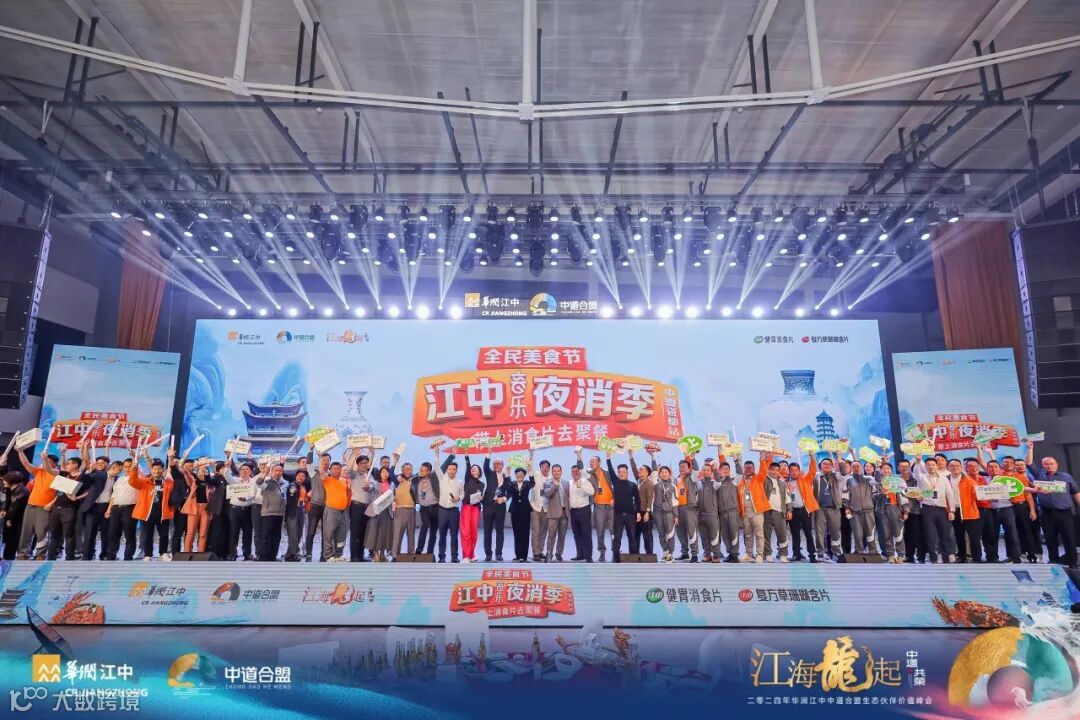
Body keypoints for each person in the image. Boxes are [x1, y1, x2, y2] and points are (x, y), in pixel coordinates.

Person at [1029, 454, 1078, 569]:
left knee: (1069, 538)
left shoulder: (1066, 477)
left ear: (1056, 465)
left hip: (1064, 512)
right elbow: (1029, 463)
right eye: (1046, 464)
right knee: (1050, 538)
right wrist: (1030, 449)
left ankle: (1073, 562)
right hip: (1047, 513)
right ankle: (1053, 561)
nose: (1049, 466)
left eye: (1051, 464)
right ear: (1042, 465)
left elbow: (1076, 492)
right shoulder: (1039, 475)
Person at [15, 443, 61, 560]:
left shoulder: (56, 473)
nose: (44, 463)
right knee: (26, 531)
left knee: (42, 533)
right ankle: (22, 553)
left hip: (44, 507)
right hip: (30, 506)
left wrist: (45, 459)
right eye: (45, 461)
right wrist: (20, 452)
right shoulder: (39, 471)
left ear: (54, 464)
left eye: (49, 462)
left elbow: (50, 470)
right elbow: (26, 464)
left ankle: (40, 554)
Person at [912, 456, 957, 563]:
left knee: (944, 533)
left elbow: (950, 494)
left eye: (933, 465)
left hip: (942, 509)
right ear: (925, 467)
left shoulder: (944, 478)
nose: (930, 467)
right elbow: (916, 472)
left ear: (937, 466)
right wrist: (918, 462)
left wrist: (952, 510)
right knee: (930, 534)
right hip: (927, 509)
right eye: (928, 465)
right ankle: (934, 556)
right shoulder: (922, 477)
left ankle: (946, 555)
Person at [133, 448, 174, 561]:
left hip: (163, 513)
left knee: (164, 535)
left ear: (163, 470)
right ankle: (148, 554)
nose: (157, 471)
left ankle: (163, 553)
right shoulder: (144, 482)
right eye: (154, 469)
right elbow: (133, 481)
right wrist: (134, 468)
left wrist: (170, 458)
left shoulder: (168, 483)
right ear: (151, 470)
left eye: (159, 469)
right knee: (147, 535)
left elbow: (171, 471)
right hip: (147, 513)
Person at [46, 451, 87, 561]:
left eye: (69, 463)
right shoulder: (64, 475)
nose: (66, 465)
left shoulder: (82, 477)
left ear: (75, 465)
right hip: (56, 508)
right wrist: (51, 503)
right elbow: (50, 470)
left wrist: (77, 498)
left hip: (69, 509)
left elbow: (89, 491)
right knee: (54, 534)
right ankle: (51, 557)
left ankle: (69, 557)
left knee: (68, 535)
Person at [604, 453, 640, 563]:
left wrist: (638, 513)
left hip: (630, 515)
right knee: (617, 538)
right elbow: (610, 471)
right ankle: (616, 558)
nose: (621, 473)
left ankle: (633, 558)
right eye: (619, 472)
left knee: (632, 537)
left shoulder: (632, 485)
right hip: (618, 515)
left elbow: (637, 499)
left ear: (627, 473)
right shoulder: (615, 482)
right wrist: (608, 458)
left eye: (623, 472)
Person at [81, 456, 118, 561]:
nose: (100, 464)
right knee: (89, 533)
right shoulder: (97, 474)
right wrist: (88, 470)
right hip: (93, 507)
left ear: (108, 464)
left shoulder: (116, 478)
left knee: (106, 534)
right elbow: (85, 480)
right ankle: (87, 555)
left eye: (103, 462)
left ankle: (104, 555)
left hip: (107, 508)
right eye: (98, 463)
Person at [105, 454, 140, 560]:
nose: (127, 469)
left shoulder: (137, 478)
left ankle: (128, 556)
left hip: (129, 509)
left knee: (129, 534)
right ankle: (111, 556)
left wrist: (135, 457)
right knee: (113, 533)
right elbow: (114, 495)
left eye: (130, 466)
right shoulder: (119, 479)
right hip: (116, 509)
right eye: (125, 467)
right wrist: (109, 509)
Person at [432, 444, 463, 563]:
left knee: (454, 535)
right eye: (450, 469)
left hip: (454, 511)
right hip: (442, 511)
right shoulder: (442, 478)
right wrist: (436, 452)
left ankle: (454, 556)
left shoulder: (460, 482)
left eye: (454, 469)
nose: (451, 471)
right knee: (442, 535)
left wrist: (459, 498)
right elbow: (436, 464)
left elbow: (463, 494)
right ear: (447, 470)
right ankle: (441, 556)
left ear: (456, 471)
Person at [738, 455, 769, 563]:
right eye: (746, 468)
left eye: (750, 468)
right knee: (747, 534)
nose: (748, 470)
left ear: (754, 468)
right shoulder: (740, 480)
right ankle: (749, 554)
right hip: (745, 512)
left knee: (759, 534)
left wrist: (762, 459)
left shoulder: (758, 478)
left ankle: (760, 554)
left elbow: (763, 471)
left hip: (757, 511)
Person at [224, 454, 255, 560]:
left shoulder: (253, 482)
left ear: (251, 471)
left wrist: (246, 498)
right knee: (234, 532)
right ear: (239, 471)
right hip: (235, 510)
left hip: (248, 509)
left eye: (247, 469)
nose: (244, 471)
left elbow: (254, 494)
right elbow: (227, 476)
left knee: (248, 532)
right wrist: (227, 467)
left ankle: (247, 553)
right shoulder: (235, 480)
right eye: (242, 469)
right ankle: (232, 553)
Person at [812, 457, 845, 561]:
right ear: (820, 466)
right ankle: (820, 553)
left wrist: (839, 458)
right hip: (819, 509)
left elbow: (843, 472)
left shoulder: (836, 476)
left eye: (829, 464)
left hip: (834, 508)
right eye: (824, 464)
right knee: (819, 532)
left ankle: (836, 552)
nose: (826, 466)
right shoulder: (816, 476)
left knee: (835, 531)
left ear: (832, 466)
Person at [845, 460, 878, 556]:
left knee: (870, 533)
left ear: (861, 467)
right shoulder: (848, 480)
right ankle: (859, 551)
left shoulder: (869, 478)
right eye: (854, 466)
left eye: (858, 466)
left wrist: (877, 469)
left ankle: (873, 551)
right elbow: (845, 495)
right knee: (857, 533)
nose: (856, 468)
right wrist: (847, 508)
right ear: (851, 468)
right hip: (854, 512)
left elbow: (877, 481)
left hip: (869, 511)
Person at [953, 458, 983, 563]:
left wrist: (989, 496)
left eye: (957, 466)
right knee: (959, 536)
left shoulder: (969, 480)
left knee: (974, 537)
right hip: (954, 511)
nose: (955, 468)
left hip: (970, 511)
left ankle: (977, 558)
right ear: (948, 467)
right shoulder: (946, 479)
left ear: (961, 467)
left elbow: (979, 494)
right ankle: (962, 557)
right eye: (952, 466)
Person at [365, 464, 397, 562]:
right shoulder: (375, 483)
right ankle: (375, 553)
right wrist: (366, 486)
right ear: (379, 473)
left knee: (385, 533)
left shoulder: (392, 484)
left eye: (387, 472)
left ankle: (382, 553)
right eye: (383, 472)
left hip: (387, 511)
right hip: (376, 511)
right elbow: (368, 488)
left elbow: (394, 496)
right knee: (374, 532)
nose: (385, 474)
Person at [628, 448, 656, 556]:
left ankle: (649, 555)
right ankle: (634, 555)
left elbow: (650, 498)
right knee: (635, 534)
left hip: (645, 512)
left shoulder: (649, 483)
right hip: (636, 512)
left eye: (642, 470)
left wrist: (648, 512)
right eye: (639, 470)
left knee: (647, 535)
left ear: (647, 473)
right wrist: (631, 456)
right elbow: (634, 468)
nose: (639, 471)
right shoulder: (639, 480)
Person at [255, 463, 286, 561]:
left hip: (280, 513)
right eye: (276, 470)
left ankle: (273, 555)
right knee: (266, 535)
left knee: (276, 536)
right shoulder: (267, 483)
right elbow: (259, 483)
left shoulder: (283, 483)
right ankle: (263, 556)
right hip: (268, 513)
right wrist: (265, 473)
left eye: (280, 471)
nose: (278, 472)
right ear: (272, 472)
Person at [480, 452, 508, 562]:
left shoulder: (506, 476)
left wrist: (504, 498)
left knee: (500, 531)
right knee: (487, 531)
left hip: (500, 507)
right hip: (488, 506)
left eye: (498, 463)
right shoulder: (489, 473)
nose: (496, 465)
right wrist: (488, 453)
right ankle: (488, 554)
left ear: (502, 465)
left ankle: (499, 553)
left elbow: (510, 491)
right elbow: (485, 466)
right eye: (494, 464)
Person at [347, 450, 374, 562]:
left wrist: (369, 487)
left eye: (366, 463)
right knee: (355, 532)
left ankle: (361, 555)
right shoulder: (354, 474)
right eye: (362, 463)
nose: (364, 465)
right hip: (356, 506)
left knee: (363, 532)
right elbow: (349, 470)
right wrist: (354, 454)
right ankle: (354, 556)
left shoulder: (369, 474)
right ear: (357, 464)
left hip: (366, 507)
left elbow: (373, 486)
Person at [587, 454, 614, 561]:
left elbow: (615, 485)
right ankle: (602, 552)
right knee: (600, 531)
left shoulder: (607, 473)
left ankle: (615, 551)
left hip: (611, 506)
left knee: (613, 531)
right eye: (590, 462)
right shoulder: (589, 474)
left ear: (599, 462)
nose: (591, 463)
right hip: (598, 506)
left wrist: (614, 498)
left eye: (593, 461)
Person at [321, 461, 350, 562]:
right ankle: (328, 556)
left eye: (339, 469)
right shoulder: (327, 479)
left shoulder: (344, 480)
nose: (337, 471)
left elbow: (350, 468)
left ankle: (339, 554)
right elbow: (321, 471)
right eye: (334, 469)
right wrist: (320, 458)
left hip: (343, 512)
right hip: (331, 511)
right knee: (329, 534)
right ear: (330, 470)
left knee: (342, 534)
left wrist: (354, 454)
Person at [898, 459, 926, 563]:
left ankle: (921, 556)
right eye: (902, 466)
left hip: (914, 511)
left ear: (910, 467)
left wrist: (922, 496)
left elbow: (927, 492)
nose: (904, 468)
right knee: (905, 534)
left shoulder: (917, 480)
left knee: (917, 534)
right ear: (898, 468)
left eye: (906, 466)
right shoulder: (895, 481)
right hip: (899, 511)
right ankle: (909, 556)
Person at [674, 455, 700, 562]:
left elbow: (696, 468)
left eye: (684, 466)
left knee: (692, 531)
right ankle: (684, 553)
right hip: (678, 509)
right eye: (680, 467)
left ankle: (694, 554)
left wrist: (692, 458)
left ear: (689, 468)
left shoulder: (692, 478)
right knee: (680, 533)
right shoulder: (676, 479)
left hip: (689, 509)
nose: (682, 468)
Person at [182, 462, 212, 553]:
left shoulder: (211, 484)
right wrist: (192, 467)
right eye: (199, 471)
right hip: (194, 508)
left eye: (204, 471)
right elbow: (187, 475)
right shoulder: (194, 482)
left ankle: (200, 552)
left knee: (203, 534)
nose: (201, 473)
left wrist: (210, 465)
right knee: (190, 533)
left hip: (206, 509)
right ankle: (187, 552)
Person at [567, 461, 594, 562]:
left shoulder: (585, 481)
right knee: (577, 534)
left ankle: (588, 556)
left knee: (586, 534)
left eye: (577, 471)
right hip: (573, 511)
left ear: (580, 472)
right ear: (571, 473)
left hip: (584, 510)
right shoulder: (569, 483)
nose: (575, 473)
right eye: (573, 471)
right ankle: (580, 554)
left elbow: (592, 492)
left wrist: (580, 484)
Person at [542, 464, 569, 562]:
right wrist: (555, 485)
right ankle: (549, 553)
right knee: (551, 535)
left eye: (558, 471)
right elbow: (547, 494)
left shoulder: (566, 483)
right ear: (552, 472)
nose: (556, 473)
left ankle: (559, 553)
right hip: (553, 514)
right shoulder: (548, 482)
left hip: (564, 513)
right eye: (554, 471)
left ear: (561, 472)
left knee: (562, 536)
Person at [715, 460, 741, 562]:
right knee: (725, 535)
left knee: (734, 533)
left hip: (732, 511)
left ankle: (735, 554)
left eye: (727, 469)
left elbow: (740, 472)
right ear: (719, 470)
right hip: (722, 513)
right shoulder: (717, 483)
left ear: (730, 470)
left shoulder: (734, 481)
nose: (725, 470)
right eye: (723, 469)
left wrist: (736, 462)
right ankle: (730, 553)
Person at [303, 453, 327, 561]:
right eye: (323, 460)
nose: (325, 462)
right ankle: (309, 554)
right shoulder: (314, 473)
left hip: (327, 506)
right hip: (315, 505)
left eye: (327, 460)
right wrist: (311, 451)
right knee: (311, 531)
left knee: (325, 533)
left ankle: (324, 555)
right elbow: (309, 463)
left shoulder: (331, 475)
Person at [460, 456, 484, 563]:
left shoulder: (482, 484)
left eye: (476, 468)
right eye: (472, 468)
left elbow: (480, 496)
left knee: (474, 533)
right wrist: (467, 456)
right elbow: (468, 466)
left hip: (476, 508)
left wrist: (481, 498)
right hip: (466, 507)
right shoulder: (468, 479)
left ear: (479, 472)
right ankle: (466, 556)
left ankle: (471, 554)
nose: (473, 469)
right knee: (466, 532)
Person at [652, 461, 678, 563]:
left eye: (666, 472)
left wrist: (676, 515)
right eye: (662, 472)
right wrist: (653, 458)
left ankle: (670, 554)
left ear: (669, 474)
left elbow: (675, 501)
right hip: (658, 512)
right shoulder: (656, 484)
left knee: (670, 533)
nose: (664, 474)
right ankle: (665, 552)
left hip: (669, 512)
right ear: (659, 474)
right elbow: (654, 474)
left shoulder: (673, 486)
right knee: (661, 533)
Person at [506, 467, 533, 562]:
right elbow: (507, 486)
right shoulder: (512, 483)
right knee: (516, 533)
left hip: (525, 510)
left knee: (525, 533)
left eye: (521, 474)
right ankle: (518, 555)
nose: (519, 475)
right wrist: (507, 475)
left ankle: (524, 556)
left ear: (524, 475)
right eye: (517, 474)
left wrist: (530, 472)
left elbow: (533, 482)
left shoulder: (527, 483)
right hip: (515, 510)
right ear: (515, 475)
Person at [391, 463, 417, 559]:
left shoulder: (414, 480)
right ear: (402, 470)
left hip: (412, 509)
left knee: (411, 534)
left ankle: (411, 554)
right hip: (400, 509)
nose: (408, 471)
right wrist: (395, 462)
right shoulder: (398, 480)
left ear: (412, 470)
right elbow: (391, 473)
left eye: (409, 469)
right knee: (397, 534)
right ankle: (395, 555)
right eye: (405, 469)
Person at [1, 471, 29, 560]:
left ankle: (8, 560)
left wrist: (9, 519)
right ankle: (6, 558)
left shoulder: (21, 491)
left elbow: (15, 508)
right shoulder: (11, 489)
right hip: (11, 519)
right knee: (9, 541)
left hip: (16, 521)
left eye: (5, 480)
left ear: (12, 480)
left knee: (12, 541)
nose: (4, 482)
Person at [697, 463, 722, 562]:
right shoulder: (698, 484)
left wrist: (715, 470)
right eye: (704, 469)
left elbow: (719, 480)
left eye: (708, 470)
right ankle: (707, 554)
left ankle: (716, 555)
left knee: (714, 535)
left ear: (711, 472)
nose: (706, 471)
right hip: (700, 514)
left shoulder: (714, 483)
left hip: (712, 514)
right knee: (704, 537)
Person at [283, 468, 309, 562]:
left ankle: (289, 554)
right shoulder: (292, 486)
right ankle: (294, 554)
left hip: (300, 510)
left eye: (303, 476)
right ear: (295, 476)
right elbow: (292, 499)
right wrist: (300, 501)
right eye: (299, 475)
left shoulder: (303, 486)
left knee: (299, 534)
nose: (301, 477)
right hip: (293, 512)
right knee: (293, 535)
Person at [528, 455, 551, 561]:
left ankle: (540, 551)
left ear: (549, 468)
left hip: (546, 509)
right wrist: (531, 455)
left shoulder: (551, 479)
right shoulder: (536, 475)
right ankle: (535, 553)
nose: (545, 468)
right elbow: (530, 467)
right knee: (535, 531)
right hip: (535, 507)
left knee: (543, 531)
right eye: (543, 467)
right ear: (540, 467)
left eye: (546, 467)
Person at [416, 461, 439, 556]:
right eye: (420, 470)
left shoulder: (434, 478)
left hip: (435, 507)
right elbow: (421, 496)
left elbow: (442, 466)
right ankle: (419, 549)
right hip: (424, 508)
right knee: (424, 526)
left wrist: (451, 456)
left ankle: (430, 551)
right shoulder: (417, 480)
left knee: (433, 531)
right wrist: (424, 489)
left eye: (423, 470)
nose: (421, 472)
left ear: (429, 471)